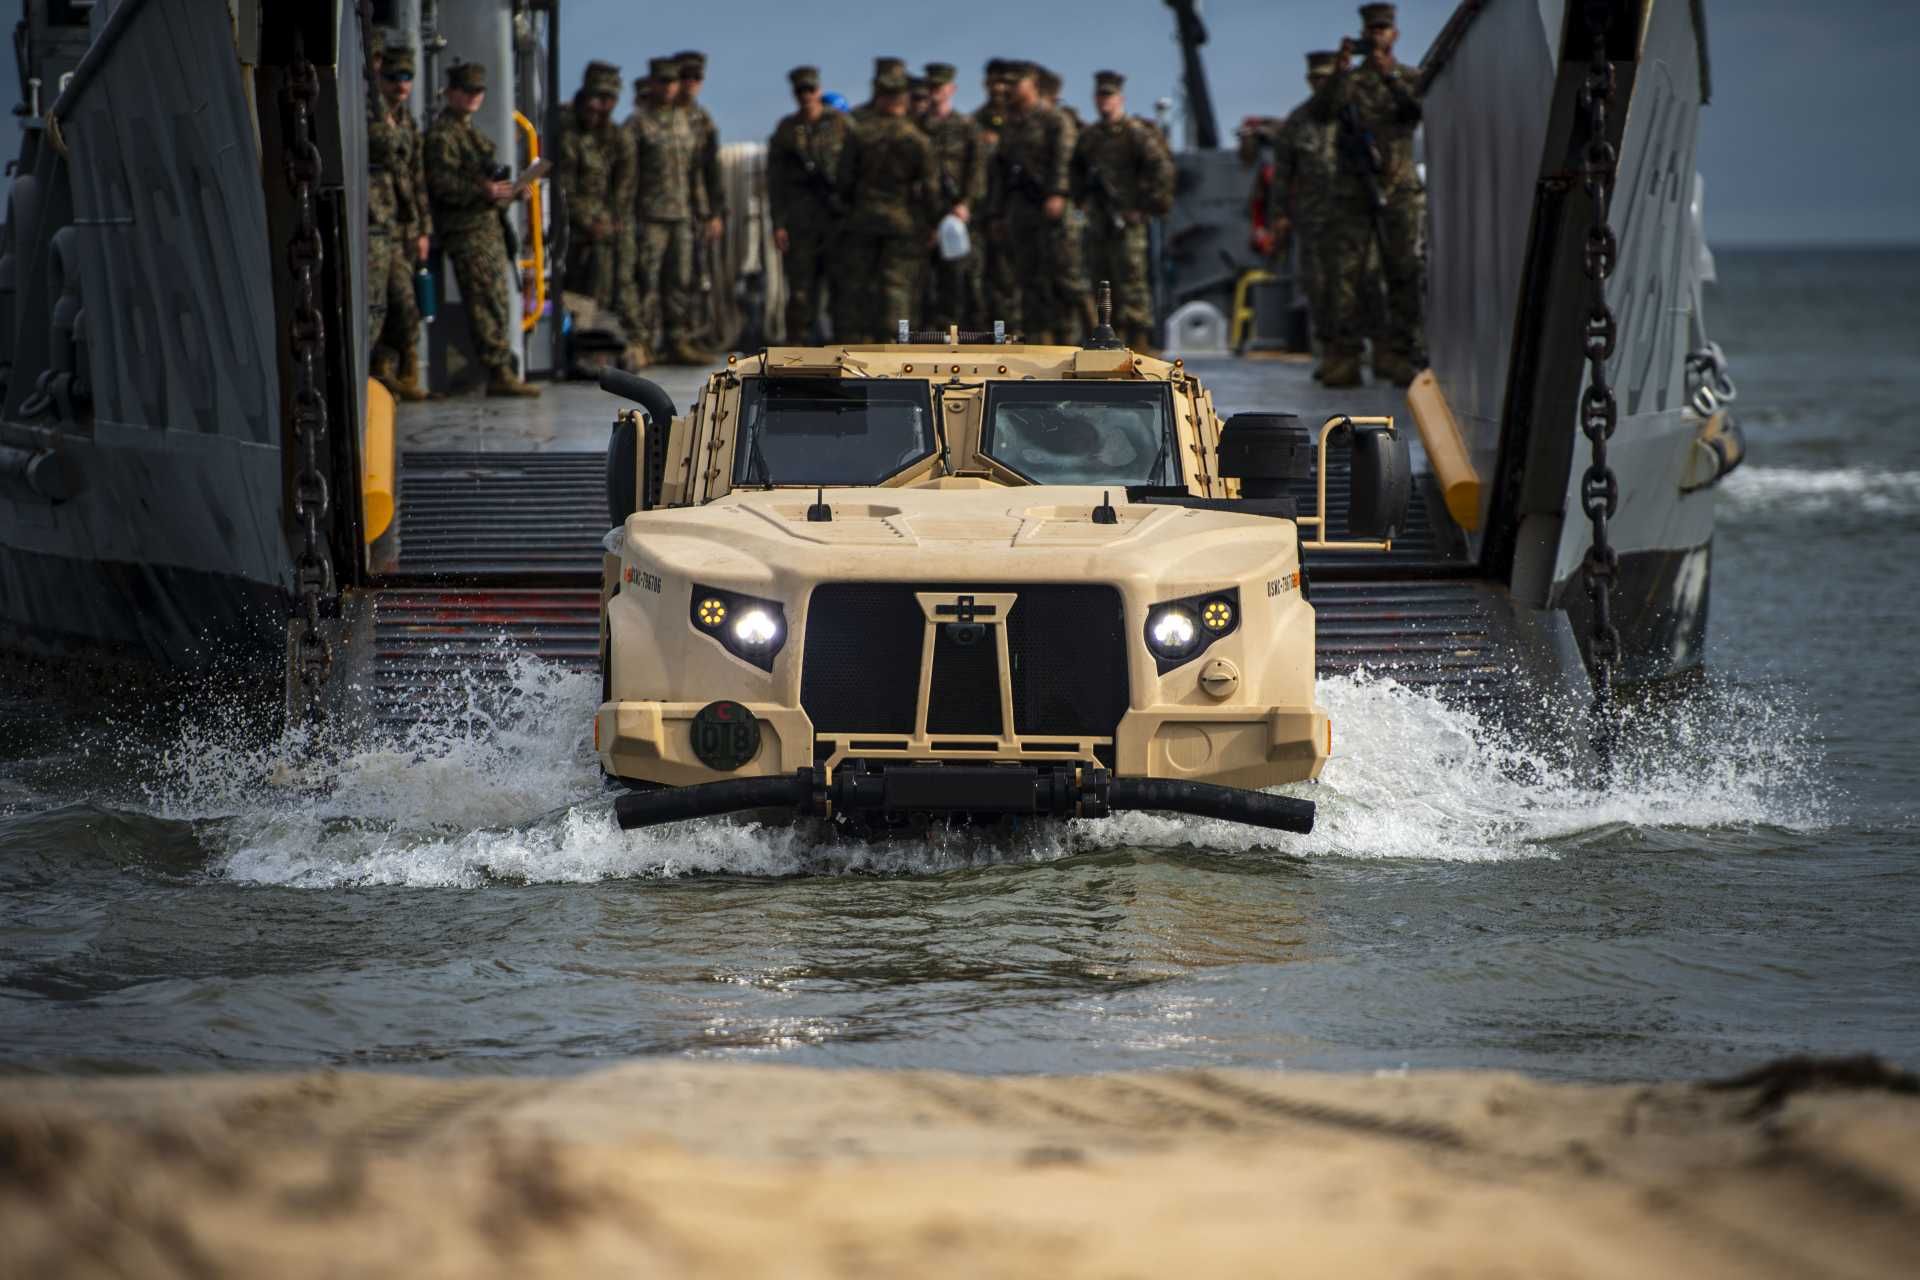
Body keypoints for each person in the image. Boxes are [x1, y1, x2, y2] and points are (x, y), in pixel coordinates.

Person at [1314, 2, 1425, 388]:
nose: (1377, 36)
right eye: (1371, 30)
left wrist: (1388, 77)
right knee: (1348, 274)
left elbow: (1415, 111)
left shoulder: (1408, 77)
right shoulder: (1350, 83)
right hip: (1354, 192)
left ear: (1393, 34)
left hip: (1398, 189)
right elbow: (1322, 111)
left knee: (1402, 270)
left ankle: (1399, 352)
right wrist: (1340, 70)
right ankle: (1345, 355)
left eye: (1383, 29)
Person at [423, 61, 538, 396]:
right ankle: (497, 370)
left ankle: (499, 367)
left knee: (496, 300)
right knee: (484, 301)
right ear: (453, 93)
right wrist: (482, 191)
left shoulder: (469, 133)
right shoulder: (443, 135)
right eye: (468, 90)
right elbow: (441, 184)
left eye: (479, 91)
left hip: (487, 229)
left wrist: (511, 191)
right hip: (466, 231)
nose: (474, 96)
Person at [833, 66, 938, 343]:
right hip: (902, 222)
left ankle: (856, 342)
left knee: (859, 285)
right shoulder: (916, 138)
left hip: (862, 220)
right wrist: (933, 222)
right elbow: (930, 188)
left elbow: (843, 180)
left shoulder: (859, 134)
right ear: (902, 100)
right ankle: (895, 342)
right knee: (897, 286)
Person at [1071, 71, 1174, 352]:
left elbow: (1162, 170)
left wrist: (1145, 207)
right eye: (1101, 96)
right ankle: (1104, 342)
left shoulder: (1135, 134)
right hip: (1098, 222)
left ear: (1121, 99)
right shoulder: (1090, 137)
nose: (1105, 102)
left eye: (1110, 96)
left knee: (1132, 285)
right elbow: (1075, 172)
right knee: (1100, 282)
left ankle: (1139, 347)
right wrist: (1080, 201)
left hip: (1127, 222)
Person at [555, 60, 647, 367]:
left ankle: (625, 342)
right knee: (575, 292)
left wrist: (611, 221)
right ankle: (577, 347)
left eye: (608, 100)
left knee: (621, 281)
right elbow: (562, 185)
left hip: (607, 225)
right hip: (570, 225)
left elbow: (625, 186)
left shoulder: (618, 137)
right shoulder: (566, 129)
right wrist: (586, 221)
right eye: (596, 97)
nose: (600, 106)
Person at [624, 58, 709, 365]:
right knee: (647, 279)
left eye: (673, 82)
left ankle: (678, 340)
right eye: (663, 82)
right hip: (650, 214)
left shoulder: (689, 120)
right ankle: (645, 342)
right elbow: (628, 174)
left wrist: (704, 210)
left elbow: (695, 171)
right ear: (654, 83)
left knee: (681, 280)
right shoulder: (637, 122)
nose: (669, 87)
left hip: (682, 214)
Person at [1269, 51, 1345, 378]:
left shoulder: (1353, 116)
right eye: (1316, 78)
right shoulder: (1297, 122)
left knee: (1358, 286)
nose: (1321, 84)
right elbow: (1282, 174)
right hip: (1313, 220)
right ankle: (1331, 351)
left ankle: (1361, 353)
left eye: (1327, 78)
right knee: (1318, 286)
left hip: (1354, 217)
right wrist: (1281, 215)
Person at [767, 65, 852, 343]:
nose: (806, 95)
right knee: (801, 292)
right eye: (800, 90)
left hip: (837, 219)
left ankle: (842, 345)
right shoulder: (787, 129)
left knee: (841, 287)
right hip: (800, 220)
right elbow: (775, 181)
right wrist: (778, 223)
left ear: (819, 90)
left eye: (810, 89)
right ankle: (797, 348)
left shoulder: (841, 124)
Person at [991, 62, 1074, 344]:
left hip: (1048, 208)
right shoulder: (1011, 123)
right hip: (1019, 209)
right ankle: (1038, 338)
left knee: (1059, 276)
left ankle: (1067, 337)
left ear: (1032, 84)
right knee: (1026, 277)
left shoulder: (1053, 119)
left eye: (1017, 83)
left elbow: (1063, 160)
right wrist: (998, 212)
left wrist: (1058, 193)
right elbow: (1000, 171)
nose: (1010, 89)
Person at [372, 39, 429, 400]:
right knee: (384, 299)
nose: (401, 84)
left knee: (405, 301)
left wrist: (423, 228)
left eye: (407, 77)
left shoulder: (408, 120)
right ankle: (382, 372)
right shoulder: (370, 113)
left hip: (401, 224)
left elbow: (416, 175)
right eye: (394, 76)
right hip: (374, 220)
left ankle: (398, 371)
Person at [921, 61, 987, 331]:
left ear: (952, 89)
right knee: (924, 287)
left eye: (942, 87)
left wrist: (965, 203)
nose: (937, 92)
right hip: (924, 216)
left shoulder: (966, 126)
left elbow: (977, 169)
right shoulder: (917, 126)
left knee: (960, 284)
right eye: (932, 86)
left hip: (957, 216)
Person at [1034, 66, 1092, 341]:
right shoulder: (1032, 124)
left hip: (1067, 214)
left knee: (1071, 280)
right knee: (1046, 282)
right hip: (1042, 215)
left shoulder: (1064, 123)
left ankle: (1096, 334)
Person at [674, 50, 726, 350]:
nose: (691, 83)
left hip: (697, 209)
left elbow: (712, 171)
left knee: (697, 274)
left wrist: (715, 213)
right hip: (663, 209)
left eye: (697, 78)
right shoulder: (661, 117)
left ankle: (692, 336)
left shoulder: (702, 120)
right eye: (686, 77)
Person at [972, 59, 1019, 332]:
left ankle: (1014, 335)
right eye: (993, 82)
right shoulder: (976, 121)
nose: (998, 88)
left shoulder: (1021, 122)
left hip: (1012, 212)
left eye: (1004, 82)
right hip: (981, 213)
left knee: (1012, 281)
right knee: (980, 280)